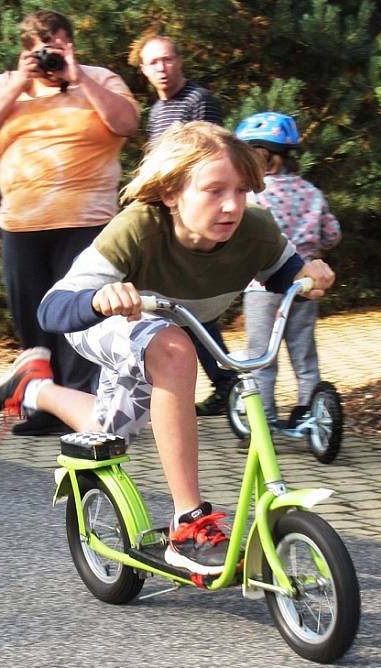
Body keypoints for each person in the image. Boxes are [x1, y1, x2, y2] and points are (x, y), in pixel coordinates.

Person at [0, 121, 335, 574]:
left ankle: (32, 388)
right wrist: (99, 299)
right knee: (174, 350)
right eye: (213, 190)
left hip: (166, 330)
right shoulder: (139, 229)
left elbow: (285, 274)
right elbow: (53, 309)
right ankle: (189, 525)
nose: (231, 206)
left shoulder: (255, 230)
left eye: (242, 191)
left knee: (109, 432)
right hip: (103, 322)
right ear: (171, 193)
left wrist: (311, 278)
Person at [0, 9, 139, 436]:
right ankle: (42, 403)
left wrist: (81, 78)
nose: (51, 59)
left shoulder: (99, 79)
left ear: (71, 44)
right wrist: (18, 86)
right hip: (22, 222)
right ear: (26, 52)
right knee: (34, 319)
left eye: (59, 48)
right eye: (42, 52)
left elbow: (127, 122)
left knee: (80, 316)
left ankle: (84, 407)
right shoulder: (8, 85)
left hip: (87, 220)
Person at [136, 34, 237, 417]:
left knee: (189, 304)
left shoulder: (199, 100)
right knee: (177, 305)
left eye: (167, 59)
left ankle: (227, 381)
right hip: (168, 216)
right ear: (143, 70)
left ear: (180, 61)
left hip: (195, 219)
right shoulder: (154, 113)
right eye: (152, 63)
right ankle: (223, 382)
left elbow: (209, 156)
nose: (161, 68)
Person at [235, 112, 342, 427]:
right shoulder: (311, 192)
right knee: (304, 356)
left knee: (261, 357)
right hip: (305, 285)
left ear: (261, 156)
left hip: (262, 286)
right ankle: (311, 415)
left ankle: (261, 420)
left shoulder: (253, 196)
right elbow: (332, 235)